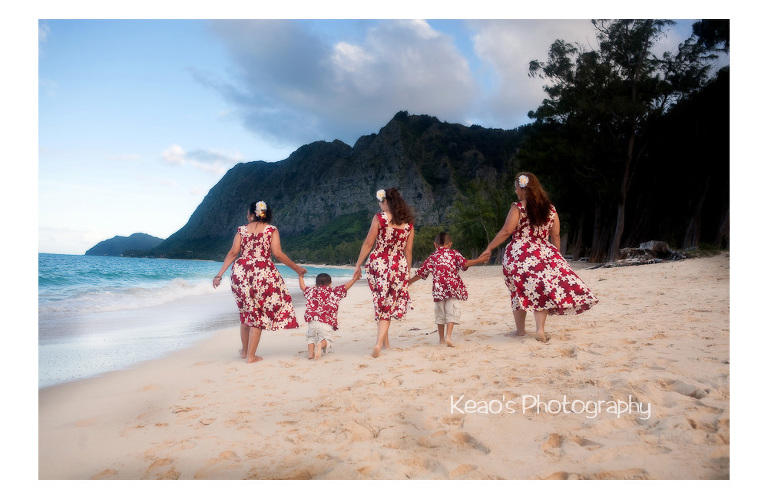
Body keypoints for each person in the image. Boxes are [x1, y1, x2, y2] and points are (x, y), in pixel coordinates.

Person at [479, 173, 598, 342]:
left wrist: (489, 247)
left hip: (520, 253)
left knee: (517, 290)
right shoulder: (551, 209)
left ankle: (520, 331)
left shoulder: (518, 207)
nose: (515, 191)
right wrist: (556, 257)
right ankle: (540, 329)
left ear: (523, 188)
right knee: (541, 290)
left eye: (516, 187)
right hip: (544, 253)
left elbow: (506, 231)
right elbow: (555, 235)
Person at [213, 200, 307, 362]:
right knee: (257, 313)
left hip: (240, 272)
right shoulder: (271, 230)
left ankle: (244, 351)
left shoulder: (241, 230)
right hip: (262, 272)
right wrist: (297, 268)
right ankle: (251, 356)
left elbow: (233, 252)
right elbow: (277, 253)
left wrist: (219, 275)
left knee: (246, 311)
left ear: (251, 215)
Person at [354, 188, 415, 358]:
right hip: (398, 266)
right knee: (387, 304)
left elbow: (368, 243)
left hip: (379, 264)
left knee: (382, 303)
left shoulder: (379, 218)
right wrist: (407, 272)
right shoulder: (409, 223)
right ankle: (386, 343)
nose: (380, 205)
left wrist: (358, 264)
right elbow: (408, 250)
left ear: (386, 201)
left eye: (381, 202)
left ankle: (378, 343)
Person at [409, 231, 489, 347]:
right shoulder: (454, 254)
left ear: (435, 245)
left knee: (440, 314)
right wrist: (479, 260)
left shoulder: (432, 257)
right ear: (450, 244)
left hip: (438, 290)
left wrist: (409, 282)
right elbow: (465, 263)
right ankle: (449, 336)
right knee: (451, 311)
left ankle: (441, 339)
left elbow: (421, 273)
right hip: (453, 288)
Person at [298, 272, 359, 359]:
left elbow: (302, 287)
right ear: (330, 284)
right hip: (326, 322)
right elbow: (345, 287)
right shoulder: (334, 291)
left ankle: (311, 353)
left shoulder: (311, 291)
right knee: (327, 339)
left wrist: (300, 275)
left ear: (315, 284)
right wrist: (354, 279)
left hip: (312, 321)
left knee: (310, 337)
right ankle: (320, 345)